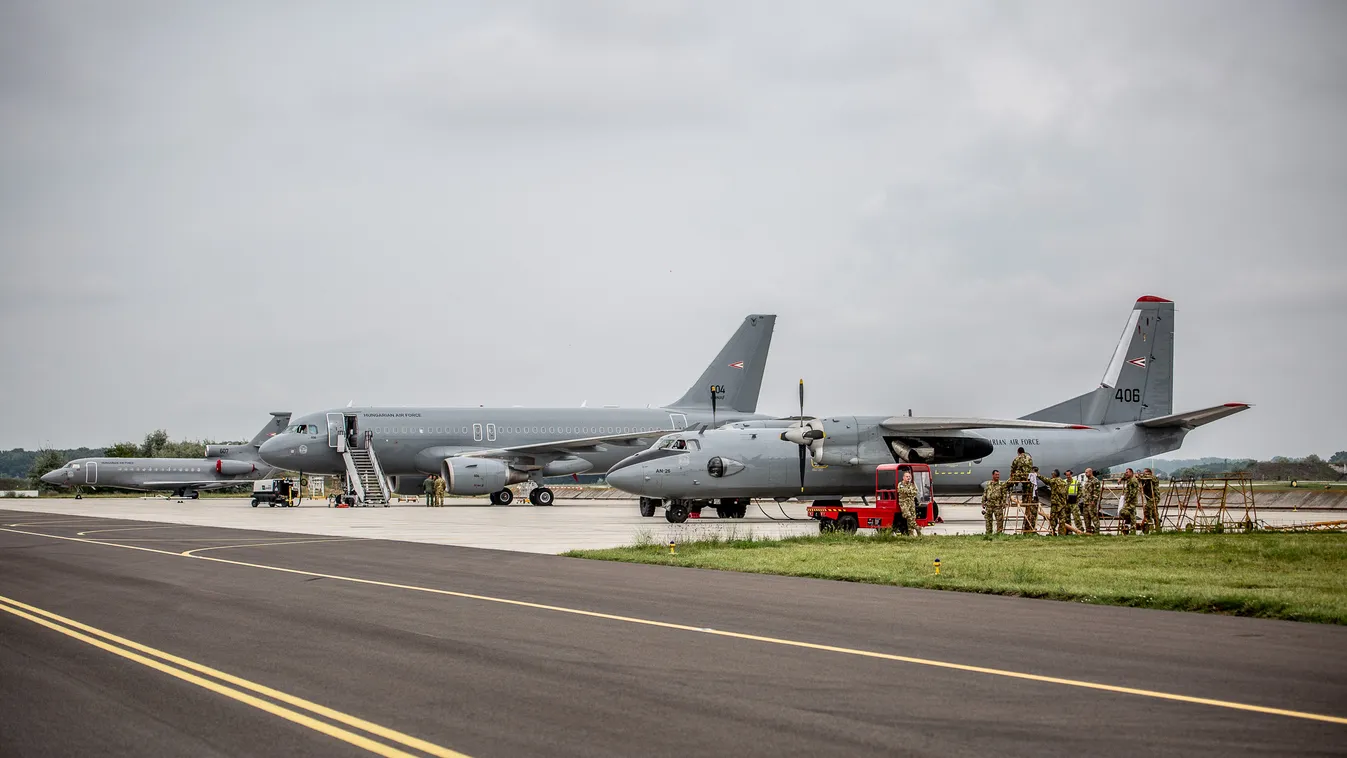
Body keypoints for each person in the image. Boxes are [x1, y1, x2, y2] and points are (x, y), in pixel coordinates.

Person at [981, 470, 1008, 535]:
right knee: (988, 520)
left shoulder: (1001, 484)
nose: (997, 476)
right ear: (993, 475)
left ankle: (999, 533)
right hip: (989, 505)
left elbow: (1004, 494)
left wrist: (1004, 502)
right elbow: (985, 493)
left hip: (998, 505)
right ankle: (989, 533)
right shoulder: (988, 484)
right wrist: (983, 502)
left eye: (998, 475)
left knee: (999, 520)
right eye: (996, 475)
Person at [897, 471, 921, 536]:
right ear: (903, 477)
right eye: (907, 476)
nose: (908, 478)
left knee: (912, 518)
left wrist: (908, 492)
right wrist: (910, 492)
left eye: (909, 476)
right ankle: (917, 527)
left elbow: (915, 492)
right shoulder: (900, 484)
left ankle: (911, 534)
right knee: (908, 516)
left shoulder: (912, 485)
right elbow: (901, 490)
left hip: (911, 503)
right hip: (904, 503)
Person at [1045, 469, 1068, 535]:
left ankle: (1052, 532)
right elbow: (1066, 493)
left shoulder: (1054, 481)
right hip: (1062, 504)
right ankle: (1062, 533)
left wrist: (1037, 475)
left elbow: (1046, 480)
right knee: (1062, 519)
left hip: (1055, 503)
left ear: (1054, 475)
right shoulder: (1063, 482)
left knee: (1053, 518)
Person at [1081, 468, 1102, 534]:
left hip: (1091, 503)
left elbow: (1097, 492)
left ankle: (1097, 531)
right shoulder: (1087, 481)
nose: (1085, 474)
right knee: (1086, 518)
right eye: (1085, 472)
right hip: (1086, 502)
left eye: (1087, 472)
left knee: (1094, 517)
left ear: (1090, 472)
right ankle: (1088, 531)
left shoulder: (1095, 481)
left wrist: (1094, 501)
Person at [1140, 468, 1161, 533]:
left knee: (1147, 508)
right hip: (1149, 498)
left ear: (1150, 473)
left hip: (1155, 498)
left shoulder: (1154, 478)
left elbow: (1149, 477)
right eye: (1144, 473)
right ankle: (1158, 529)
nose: (1145, 474)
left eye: (1146, 473)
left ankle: (1150, 525)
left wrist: (1141, 476)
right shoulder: (1145, 480)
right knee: (1155, 514)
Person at [1120, 469, 1140, 534]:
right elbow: (1125, 476)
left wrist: (1128, 501)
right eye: (1126, 472)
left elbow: (1133, 493)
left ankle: (1132, 528)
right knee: (1132, 514)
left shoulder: (1133, 481)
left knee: (1123, 512)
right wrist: (1121, 478)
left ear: (1131, 473)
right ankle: (1132, 530)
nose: (1126, 474)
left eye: (1127, 472)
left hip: (1131, 501)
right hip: (1129, 501)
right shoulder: (1129, 479)